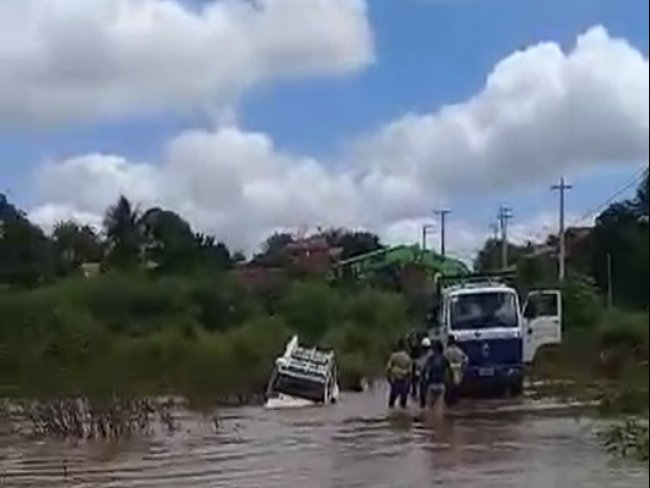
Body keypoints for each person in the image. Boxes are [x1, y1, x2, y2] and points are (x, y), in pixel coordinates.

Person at [420, 340, 451, 417]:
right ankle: (438, 423)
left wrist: (423, 381)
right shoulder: (444, 359)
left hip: (432, 384)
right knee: (439, 407)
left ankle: (430, 423)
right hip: (441, 385)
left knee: (429, 407)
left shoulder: (431, 358)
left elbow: (424, 370)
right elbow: (449, 371)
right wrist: (449, 382)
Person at [386, 338, 412, 409]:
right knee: (403, 403)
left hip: (395, 380)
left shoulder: (394, 356)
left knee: (391, 402)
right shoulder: (407, 357)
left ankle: (391, 416)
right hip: (403, 380)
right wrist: (409, 382)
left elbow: (389, 368)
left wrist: (388, 378)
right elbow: (410, 371)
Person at [444, 335, 468, 406]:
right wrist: (463, 368)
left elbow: (443, 360)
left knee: (449, 385)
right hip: (458, 369)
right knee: (457, 385)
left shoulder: (447, 351)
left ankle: (450, 401)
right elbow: (466, 360)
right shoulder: (459, 351)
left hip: (450, 369)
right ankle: (455, 400)